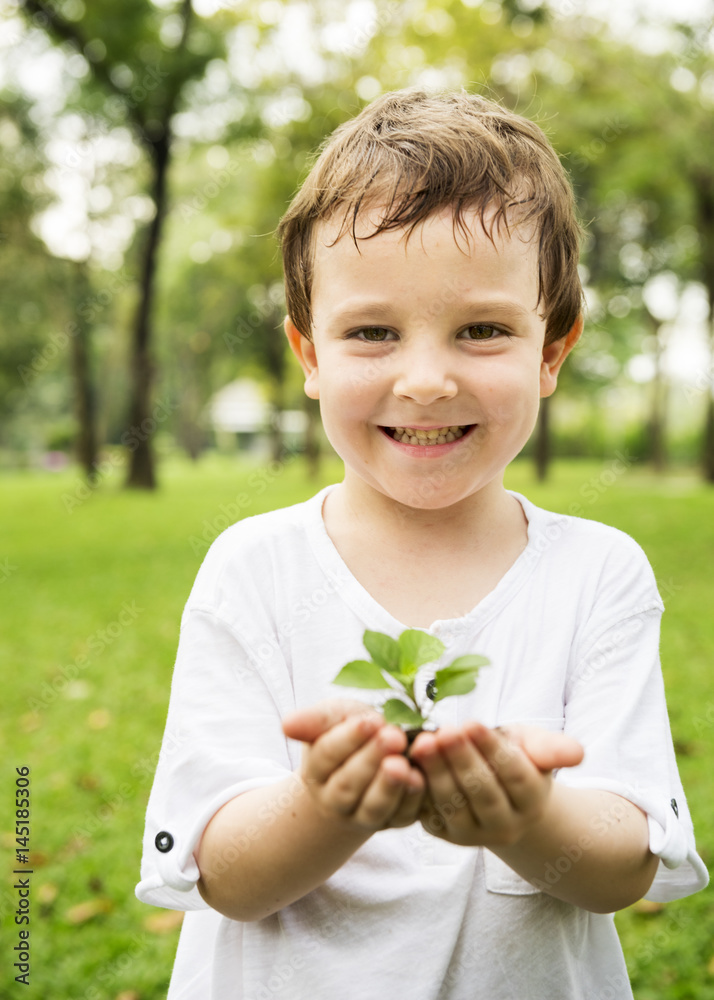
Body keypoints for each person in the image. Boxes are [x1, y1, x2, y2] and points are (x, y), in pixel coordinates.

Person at [136, 89, 707, 999]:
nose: (428, 379)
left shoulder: (599, 575)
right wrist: (326, 808)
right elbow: (223, 877)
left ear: (553, 348)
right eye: (371, 333)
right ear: (309, 355)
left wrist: (528, 819)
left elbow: (623, 864)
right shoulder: (254, 571)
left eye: (482, 330)